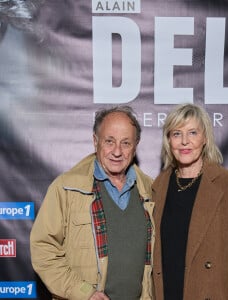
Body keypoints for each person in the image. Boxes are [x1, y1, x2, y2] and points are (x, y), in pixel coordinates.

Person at [30, 106, 155, 300]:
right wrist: (83, 293)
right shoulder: (66, 188)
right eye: (109, 141)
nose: (117, 151)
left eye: (126, 143)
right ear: (95, 141)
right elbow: (43, 250)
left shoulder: (150, 190)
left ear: (135, 146)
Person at [152, 103, 228, 300]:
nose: (184, 141)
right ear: (168, 140)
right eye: (176, 134)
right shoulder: (159, 185)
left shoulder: (226, 184)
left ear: (205, 138)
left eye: (192, 133)